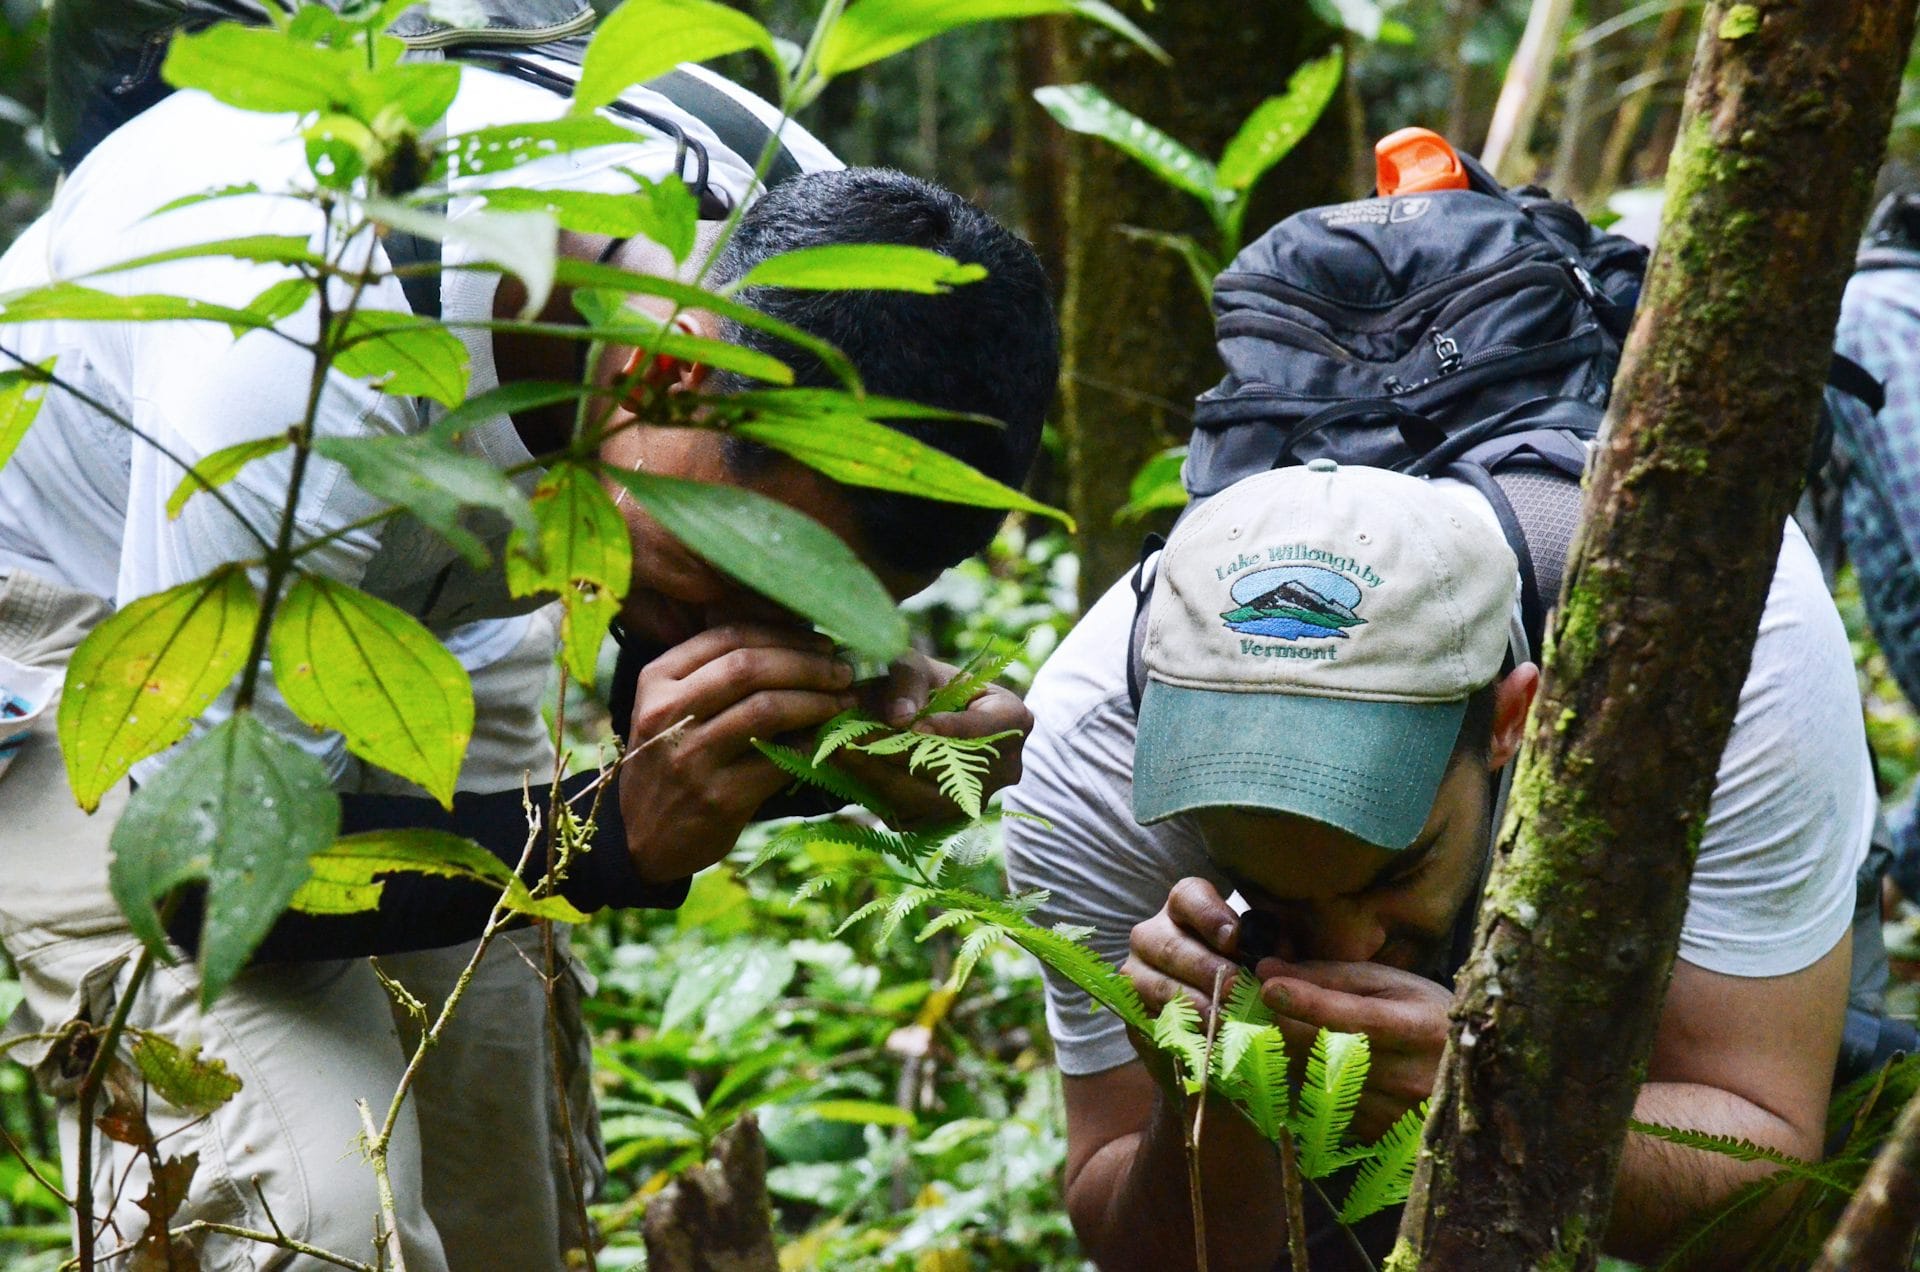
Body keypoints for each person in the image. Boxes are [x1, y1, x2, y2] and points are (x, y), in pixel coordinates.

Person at [0, 36, 1058, 1272]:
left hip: (440, 605)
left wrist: (846, 733)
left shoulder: (815, 254)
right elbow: (194, 874)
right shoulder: (301, 339)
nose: (778, 628)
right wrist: (605, 836)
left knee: (505, 1171)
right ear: (671, 371)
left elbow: (700, 560)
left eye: (835, 606)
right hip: (95, 644)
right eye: (749, 580)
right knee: (321, 1218)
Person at [1005, 461, 1874, 1270]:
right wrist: (1219, 1104)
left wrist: (1493, 1107)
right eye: (1269, 894)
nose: (1350, 945)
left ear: (1512, 720)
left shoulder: (1717, 632)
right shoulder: (1087, 756)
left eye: (1395, 872)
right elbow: (1136, 1239)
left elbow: (1770, 1173)